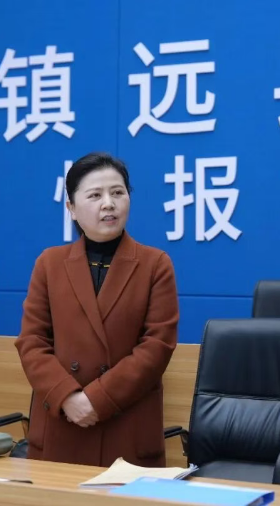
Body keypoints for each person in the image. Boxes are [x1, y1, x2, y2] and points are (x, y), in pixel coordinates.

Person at [16, 152, 179, 467]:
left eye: (118, 193)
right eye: (95, 195)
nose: (109, 204)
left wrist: (98, 400)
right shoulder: (49, 263)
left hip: (126, 426)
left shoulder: (155, 264)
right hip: (63, 424)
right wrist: (67, 396)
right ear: (71, 208)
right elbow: (32, 342)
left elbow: (156, 347)